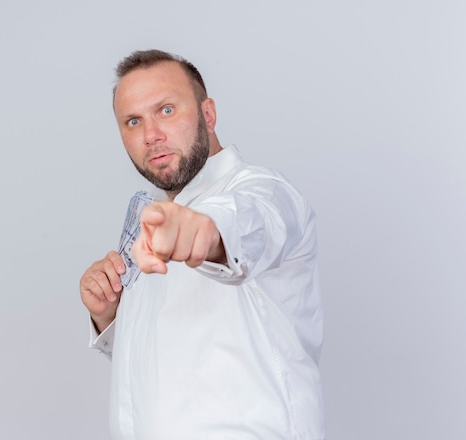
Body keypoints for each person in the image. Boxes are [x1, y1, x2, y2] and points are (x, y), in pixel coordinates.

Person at [80, 49, 324, 440]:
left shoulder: (265, 193)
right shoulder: (157, 226)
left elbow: (247, 223)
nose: (150, 135)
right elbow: (168, 361)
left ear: (208, 115)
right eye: (132, 121)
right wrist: (110, 317)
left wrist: (208, 232)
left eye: (166, 110)